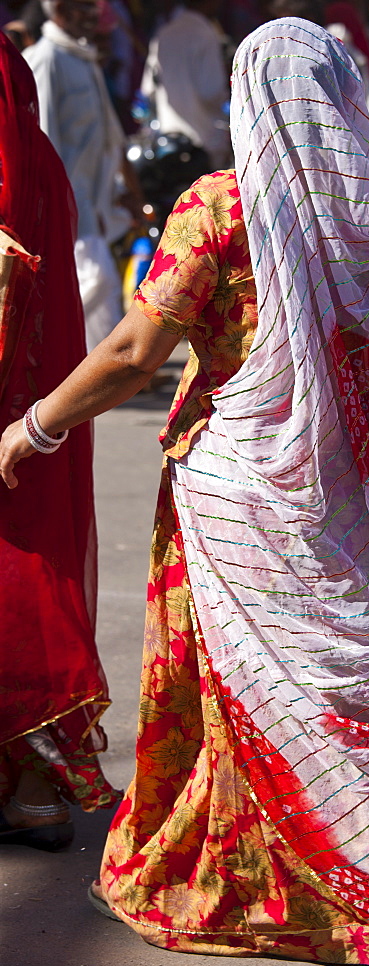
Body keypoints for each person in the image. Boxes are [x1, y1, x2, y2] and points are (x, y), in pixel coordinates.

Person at [0, 18, 369, 966]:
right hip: (348, 491)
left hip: (239, 494)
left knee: (290, 710)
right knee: (321, 700)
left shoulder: (219, 208)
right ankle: (254, 873)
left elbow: (132, 356)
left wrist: (33, 426)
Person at [0, 33, 118, 850]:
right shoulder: (38, 160)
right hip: (33, 410)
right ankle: (33, 794)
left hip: (15, 408)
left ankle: (33, 788)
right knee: (33, 574)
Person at [24, 0, 137, 352]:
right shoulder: (46, 60)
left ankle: (98, 367)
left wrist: (124, 189)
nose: (92, 15)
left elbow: (110, 136)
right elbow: (41, 138)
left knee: (96, 279)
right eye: (84, 6)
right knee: (95, 278)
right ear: (60, 11)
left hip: (93, 197)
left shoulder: (83, 59)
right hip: (65, 198)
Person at [141, 0, 230, 169]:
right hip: (205, 140)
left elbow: (148, 88)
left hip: (170, 139)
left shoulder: (163, 33)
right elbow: (212, 92)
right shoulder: (205, 34)